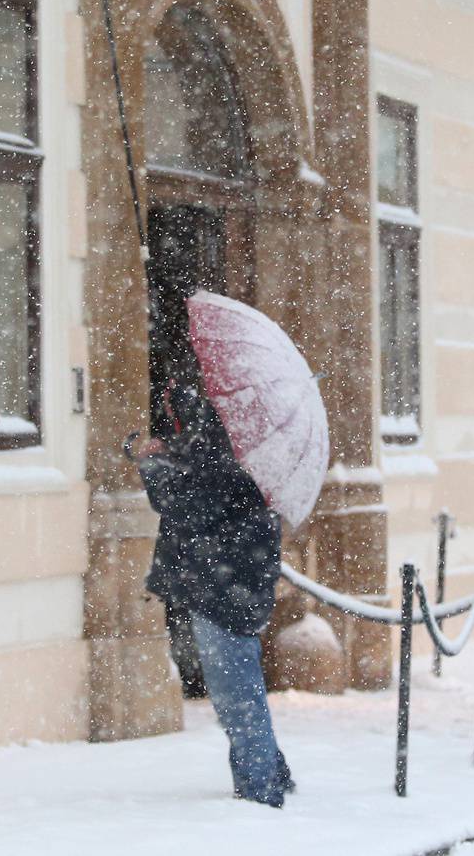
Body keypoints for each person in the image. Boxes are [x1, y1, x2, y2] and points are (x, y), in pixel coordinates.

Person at [136, 341, 294, 808]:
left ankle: (261, 787)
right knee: (238, 685)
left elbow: (184, 500)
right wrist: (168, 457)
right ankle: (271, 772)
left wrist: (151, 463)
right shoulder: (249, 431)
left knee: (235, 692)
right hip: (238, 573)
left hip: (225, 579)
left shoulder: (220, 435)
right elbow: (201, 486)